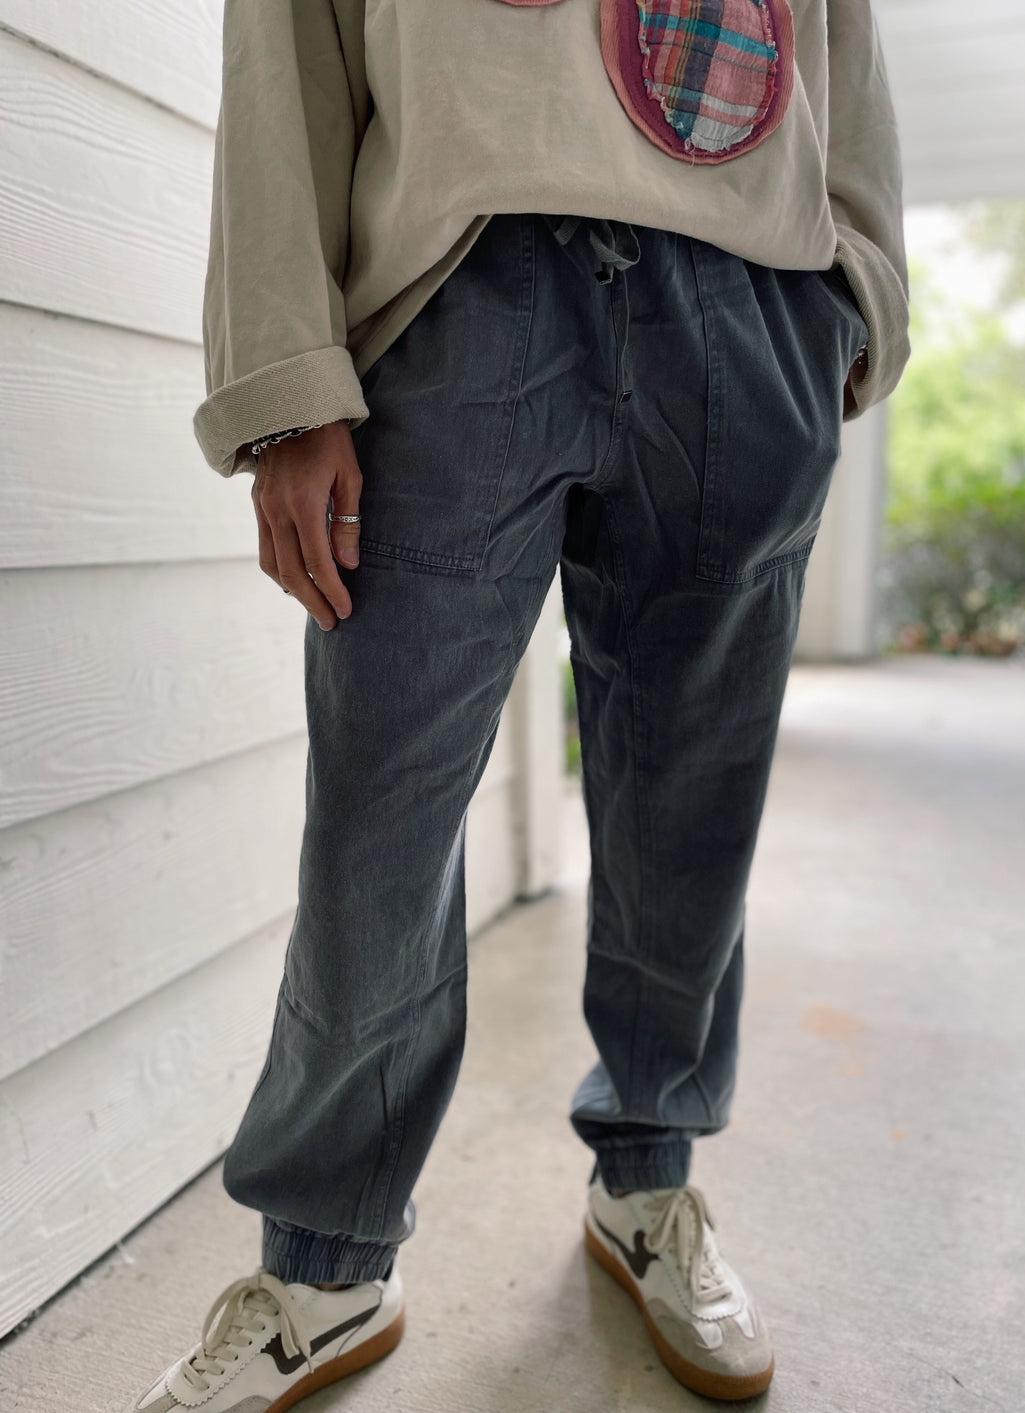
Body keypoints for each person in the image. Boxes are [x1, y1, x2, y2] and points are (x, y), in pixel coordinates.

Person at [127, 1, 909, 1408]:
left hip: (745, 300)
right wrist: (283, 377)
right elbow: (283, 46)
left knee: (692, 800)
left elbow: (848, 36)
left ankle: (649, 1182)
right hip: (455, 292)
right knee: (382, 815)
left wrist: (856, 294)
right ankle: (326, 1260)